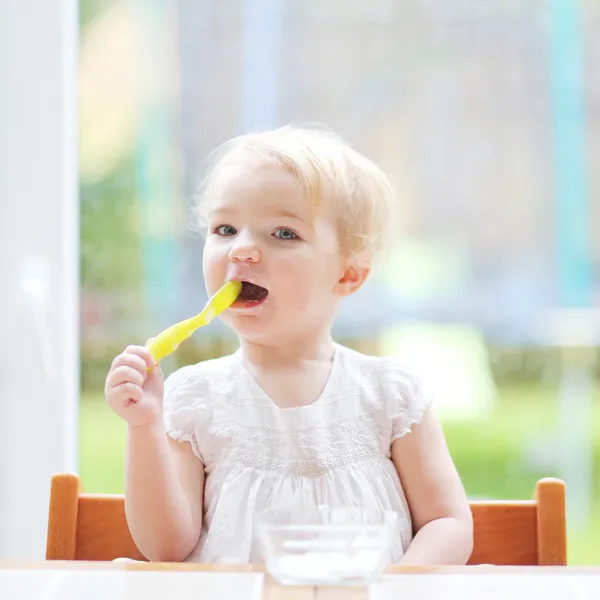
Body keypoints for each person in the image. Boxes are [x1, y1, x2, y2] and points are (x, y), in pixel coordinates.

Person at [104, 124, 473, 565]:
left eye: (282, 233)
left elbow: (447, 524)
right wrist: (144, 427)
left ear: (348, 273)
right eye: (225, 228)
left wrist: (396, 586)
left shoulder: (391, 396)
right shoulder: (194, 399)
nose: (241, 250)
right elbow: (166, 547)